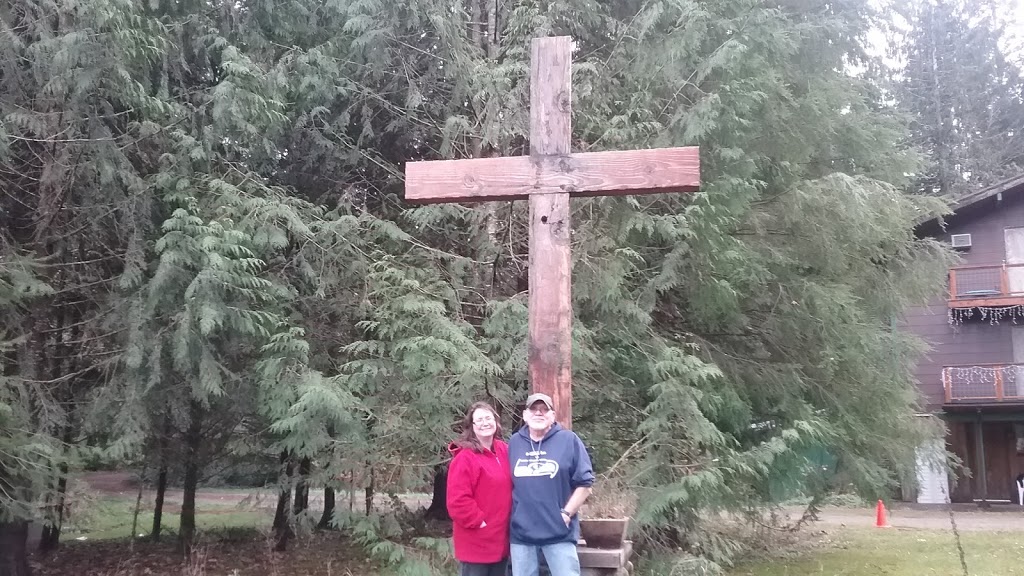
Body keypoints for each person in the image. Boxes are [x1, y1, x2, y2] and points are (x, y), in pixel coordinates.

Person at [508, 392, 595, 576]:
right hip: (522, 536)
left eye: (544, 409)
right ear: (525, 415)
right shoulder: (514, 443)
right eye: (533, 409)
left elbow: (585, 484)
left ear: (553, 415)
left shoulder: (569, 440)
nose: (539, 413)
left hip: (559, 533)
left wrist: (566, 514)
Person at [446, 401, 513, 576]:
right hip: (476, 542)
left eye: (488, 418)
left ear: (496, 421)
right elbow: (457, 501)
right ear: (472, 426)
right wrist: (479, 522)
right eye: (480, 420)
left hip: (501, 541)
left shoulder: (504, 450)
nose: (485, 423)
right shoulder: (465, 458)